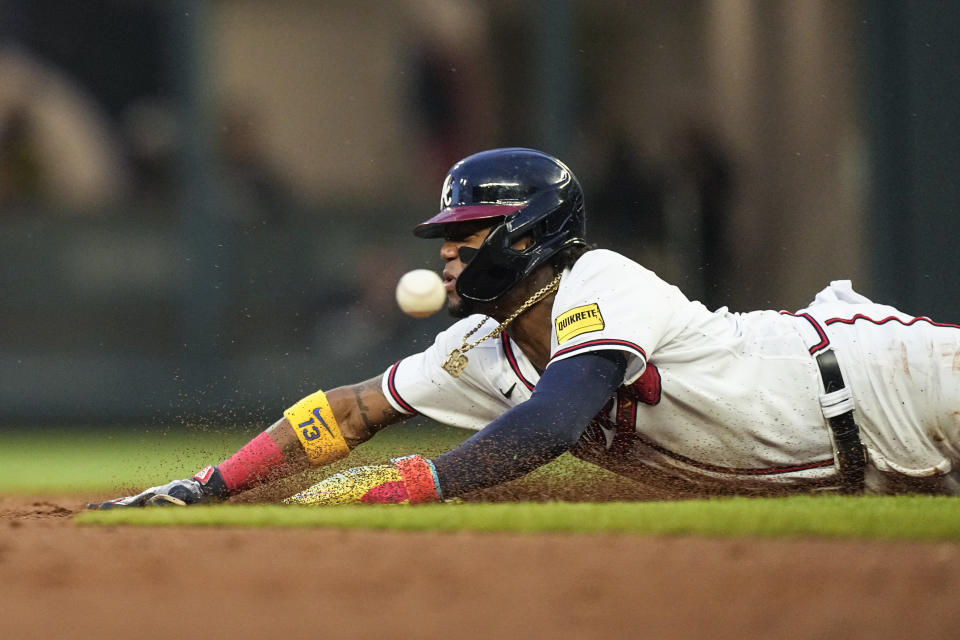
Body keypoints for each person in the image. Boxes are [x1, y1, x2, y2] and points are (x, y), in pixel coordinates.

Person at [90, 147, 960, 509]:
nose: (448, 256)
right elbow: (351, 411)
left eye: (465, 236)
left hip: (882, 374)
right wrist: (206, 487)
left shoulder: (602, 281)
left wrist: (421, 482)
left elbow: (553, 420)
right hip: (855, 473)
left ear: (528, 230)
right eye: (446, 240)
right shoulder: (478, 349)